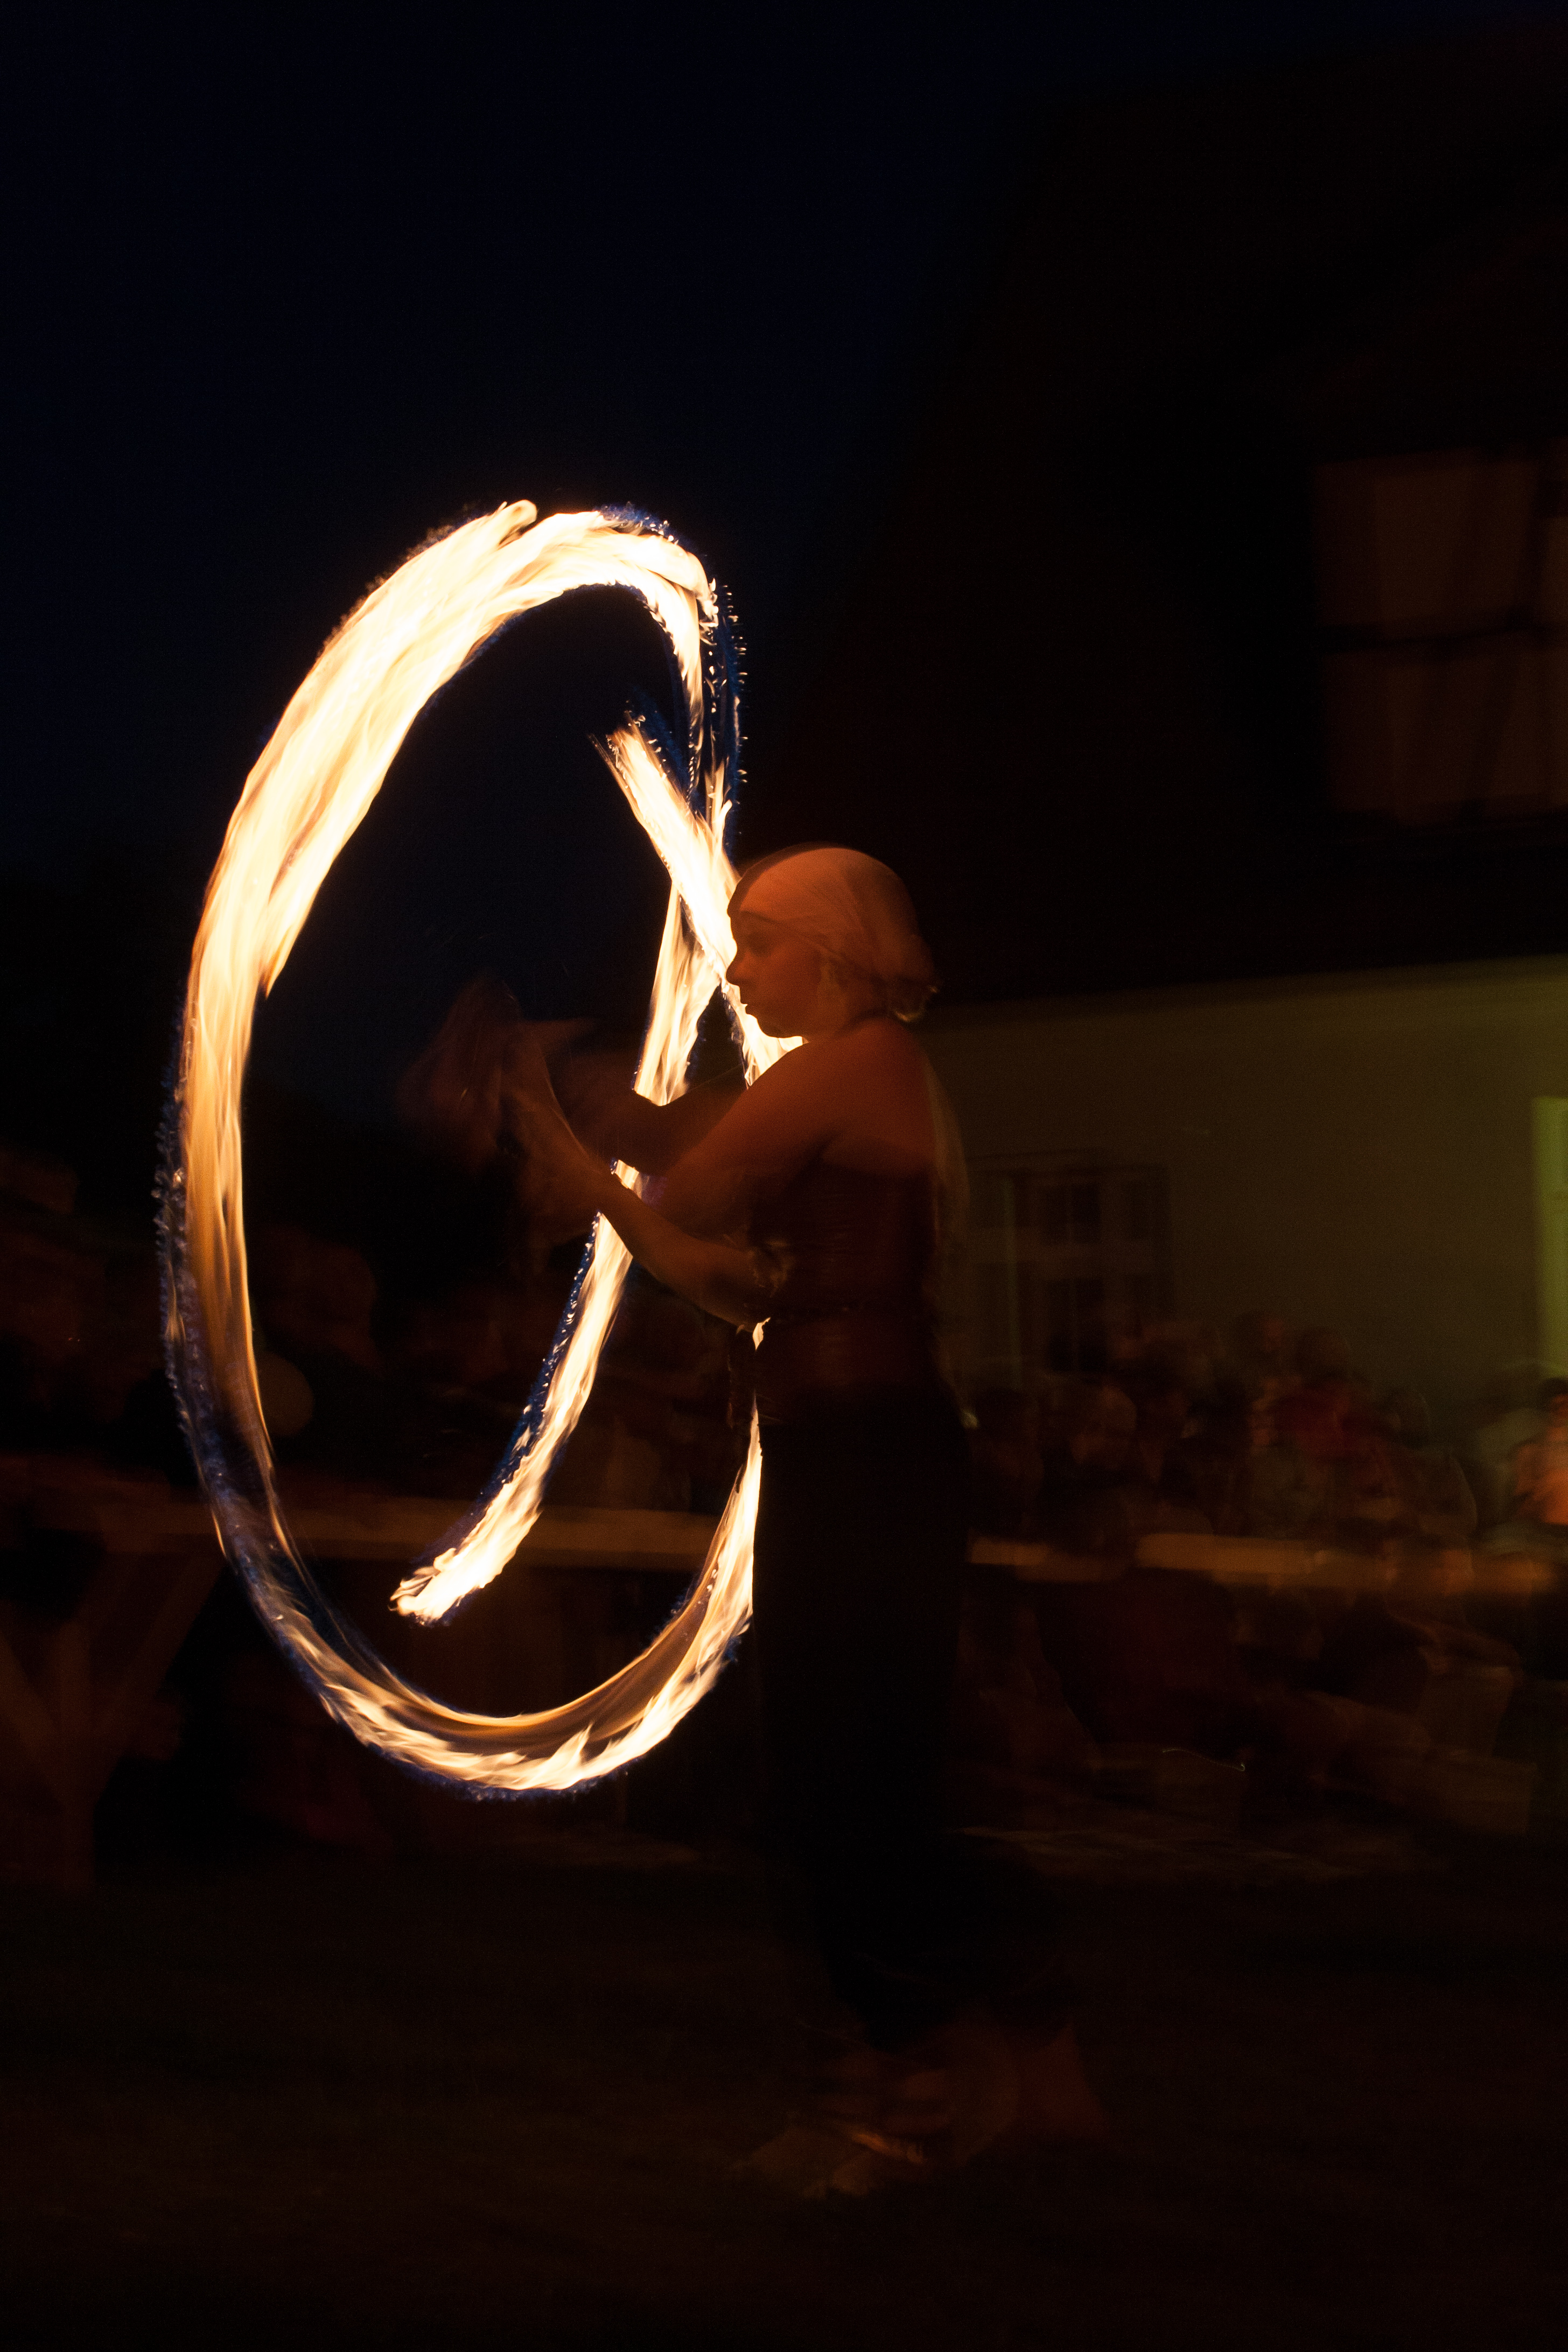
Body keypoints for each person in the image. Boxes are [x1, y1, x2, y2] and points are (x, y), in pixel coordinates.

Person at [495, 845, 1105, 2189]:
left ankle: (898, 2093)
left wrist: (572, 1126)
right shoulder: (838, 1084)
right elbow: (718, 1270)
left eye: (758, 941)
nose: (734, 966)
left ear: (829, 957)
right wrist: (573, 1118)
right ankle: (1015, 2067)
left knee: (844, 1781)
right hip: (847, 1447)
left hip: (871, 1454)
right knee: (851, 1779)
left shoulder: (859, 1059)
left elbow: (693, 1185)